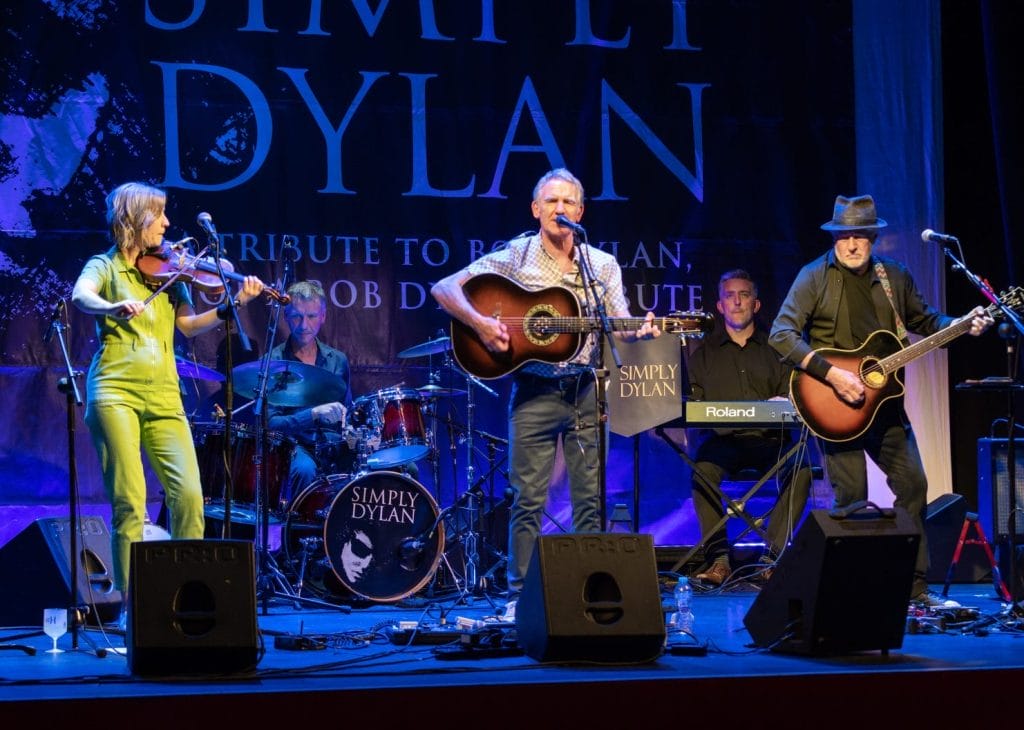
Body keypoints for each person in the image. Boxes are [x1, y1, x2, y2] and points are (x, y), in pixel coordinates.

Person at [431, 167, 660, 619]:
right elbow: (444, 288)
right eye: (551, 201)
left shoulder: (602, 265)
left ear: (581, 211)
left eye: (568, 202)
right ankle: (521, 599)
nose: (560, 209)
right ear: (536, 209)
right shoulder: (516, 256)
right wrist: (482, 324)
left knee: (589, 498)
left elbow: (620, 326)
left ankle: (588, 594)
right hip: (534, 390)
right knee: (528, 498)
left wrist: (644, 332)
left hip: (586, 390)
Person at [769, 194, 993, 607]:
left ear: (873, 239)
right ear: (834, 238)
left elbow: (927, 322)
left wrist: (961, 325)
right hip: (834, 407)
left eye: (861, 236)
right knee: (851, 496)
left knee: (914, 485)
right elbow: (781, 334)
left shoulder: (894, 277)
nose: (852, 244)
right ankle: (850, 589)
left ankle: (913, 588)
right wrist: (832, 374)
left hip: (885, 409)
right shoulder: (813, 276)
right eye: (844, 236)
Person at [71, 181, 265, 617]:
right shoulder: (105, 266)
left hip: (164, 394)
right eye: (158, 215)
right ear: (135, 219)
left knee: (190, 496)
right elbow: (80, 295)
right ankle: (129, 610)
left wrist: (234, 301)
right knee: (130, 500)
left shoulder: (169, 270)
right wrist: (109, 308)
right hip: (115, 389)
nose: (166, 222)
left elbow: (190, 326)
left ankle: (184, 599)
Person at [686, 270, 812, 587]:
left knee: (803, 468)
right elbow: (696, 409)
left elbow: (792, 397)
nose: (737, 301)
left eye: (744, 294)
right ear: (720, 305)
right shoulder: (702, 355)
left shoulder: (778, 349)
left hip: (771, 441)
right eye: (730, 295)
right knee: (701, 471)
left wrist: (780, 401)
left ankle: (771, 559)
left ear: (755, 304)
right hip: (724, 443)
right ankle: (718, 561)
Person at [266, 280, 355, 501]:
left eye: (312, 316)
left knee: (392, 466)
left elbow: (349, 413)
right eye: (296, 316)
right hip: (294, 446)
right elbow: (271, 425)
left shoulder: (338, 361)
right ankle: (300, 533)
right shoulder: (273, 362)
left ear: (323, 317)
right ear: (286, 316)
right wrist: (313, 415)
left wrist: (355, 433)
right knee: (305, 471)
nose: (304, 325)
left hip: (334, 444)